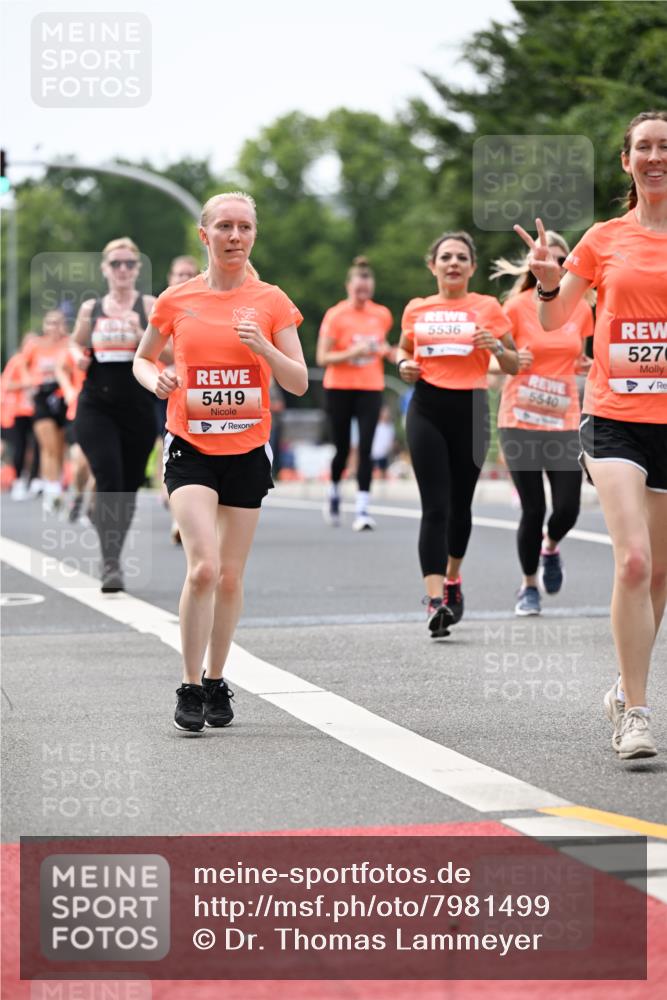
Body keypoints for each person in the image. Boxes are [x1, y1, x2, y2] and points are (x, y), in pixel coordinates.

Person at [515, 110, 667, 760]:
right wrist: (549, 280)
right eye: (643, 147)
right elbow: (556, 315)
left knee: (658, 572)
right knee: (631, 560)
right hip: (611, 418)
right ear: (625, 161)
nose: (655, 155)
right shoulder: (603, 238)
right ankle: (635, 713)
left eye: (665, 146)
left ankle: (620, 686)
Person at [133, 191, 307, 734]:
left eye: (245, 228)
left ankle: (215, 678)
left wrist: (265, 348)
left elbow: (297, 381)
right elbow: (143, 358)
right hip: (190, 446)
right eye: (225, 227)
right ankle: (188, 685)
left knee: (230, 578)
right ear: (204, 237)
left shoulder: (272, 301)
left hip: (247, 450)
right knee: (203, 567)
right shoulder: (176, 299)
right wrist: (155, 379)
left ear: (254, 236)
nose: (236, 236)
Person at [397, 231, 519, 637]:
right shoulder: (417, 308)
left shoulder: (487, 306)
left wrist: (497, 349)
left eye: (461, 257)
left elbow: (515, 363)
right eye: (445, 256)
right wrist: (403, 366)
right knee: (434, 506)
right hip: (426, 406)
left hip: (470, 409)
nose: (453, 263)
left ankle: (452, 579)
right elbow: (403, 350)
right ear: (432, 265)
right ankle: (434, 601)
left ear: (472, 266)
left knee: (460, 506)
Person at [491, 233, 594, 615]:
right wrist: (513, 358)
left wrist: (583, 366)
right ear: (534, 263)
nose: (551, 264)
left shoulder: (581, 308)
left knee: (568, 508)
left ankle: (550, 546)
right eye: (544, 257)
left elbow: (576, 358)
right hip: (519, 417)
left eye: (560, 258)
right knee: (532, 508)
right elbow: (496, 362)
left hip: (564, 419)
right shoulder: (516, 307)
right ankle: (528, 585)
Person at [70, 238, 156, 592]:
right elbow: (77, 343)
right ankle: (111, 563)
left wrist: (141, 335)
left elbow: (167, 355)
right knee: (109, 477)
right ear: (105, 269)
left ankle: (105, 531)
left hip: (137, 407)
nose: (123, 270)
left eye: (129, 264)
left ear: (137, 269)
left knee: (129, 486)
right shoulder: (92, 308)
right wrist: (78, 355)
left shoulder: (149, 305)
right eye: (116, 264)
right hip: (97, 405)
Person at [316, 257, 393, 531]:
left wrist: (393, 354)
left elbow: (383, 345)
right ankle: (334, 490)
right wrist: (353, 352)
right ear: (348, 286)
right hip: (339, 388)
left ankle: (362, 509)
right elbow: (322, 357)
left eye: (367, 286)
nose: (363, 291)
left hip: (370, 387)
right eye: (358, 287)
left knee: (368, 448)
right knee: (343, 448)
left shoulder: (381, 314)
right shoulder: (336, 315)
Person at [20, 311, 69, 512]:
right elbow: (22, 364)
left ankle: (55, 483)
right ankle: (52, 489)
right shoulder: (35, 345)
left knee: (59, 446)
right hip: (41, 395)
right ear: (44, 325)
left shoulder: (68, 343)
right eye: (50, 322)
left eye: (58, 323)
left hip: (61, 395)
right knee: (47, 445)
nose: (54, 327)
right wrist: (28, 384)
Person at [1, 333, 39, 500]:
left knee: (39, 446)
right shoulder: (17, 361)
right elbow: (5, 384)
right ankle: (17, 481)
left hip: (36, 411)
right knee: (19, 446)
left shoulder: (39, 362)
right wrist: (26, 384)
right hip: (18, 411)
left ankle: (35, 480)